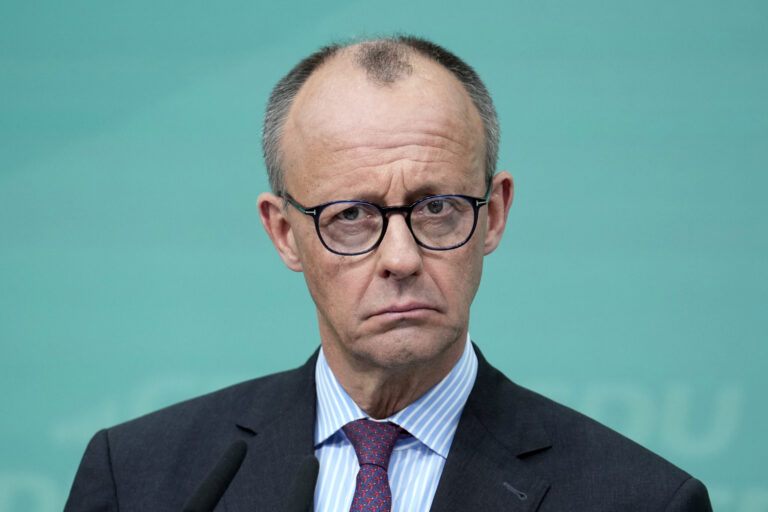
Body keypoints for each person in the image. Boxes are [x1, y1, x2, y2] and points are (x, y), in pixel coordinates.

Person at [65, 36, 712, 511]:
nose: (400, 259)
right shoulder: (142, 478)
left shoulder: (640, 500)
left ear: (494, 216)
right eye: (351, 215)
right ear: (285, 233)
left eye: (437, 208)